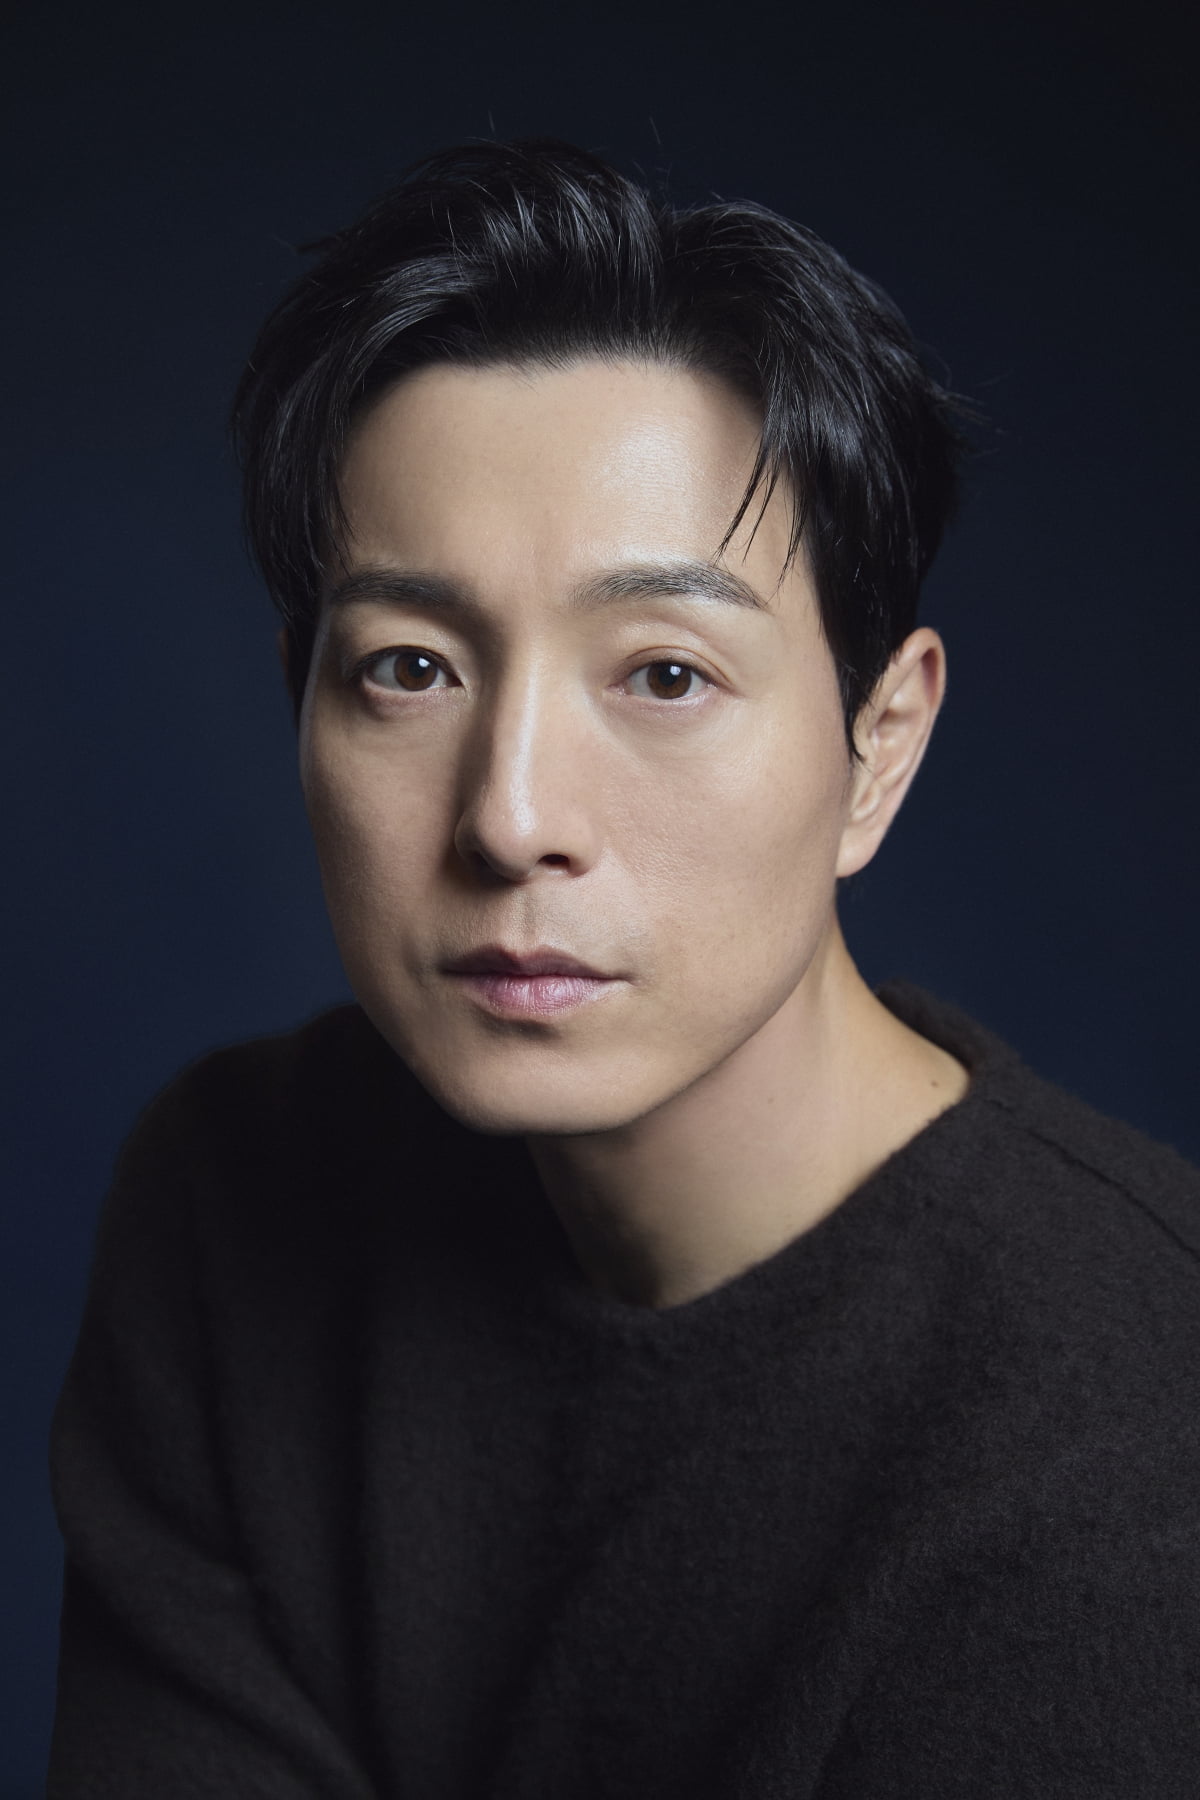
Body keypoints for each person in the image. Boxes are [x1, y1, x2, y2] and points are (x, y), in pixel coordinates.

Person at [48, 139, 1200, 1798]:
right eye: (410, 669)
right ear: (298, 696)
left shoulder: (1134, 1456)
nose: (512, 817)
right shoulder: (238, 1194)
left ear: (880, 745)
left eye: (664, 674)